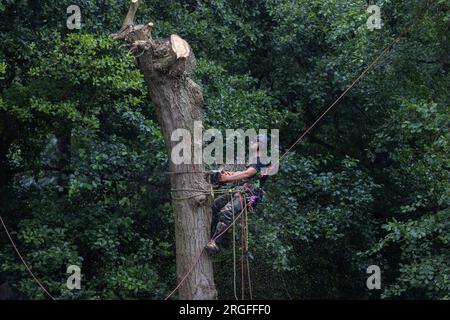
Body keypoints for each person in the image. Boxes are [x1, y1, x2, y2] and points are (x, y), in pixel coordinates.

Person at [205, 134, 271, 254]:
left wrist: (225, 179)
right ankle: (211, 235)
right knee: (215, 205)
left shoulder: (263, 159)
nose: (251, 144)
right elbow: (244, 173)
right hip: (240, 191)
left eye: (254, 142)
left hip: (249, 195)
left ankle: (216, 242)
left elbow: (247, 174)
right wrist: (226, 173)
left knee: (227, 212)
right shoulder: (254, 160)